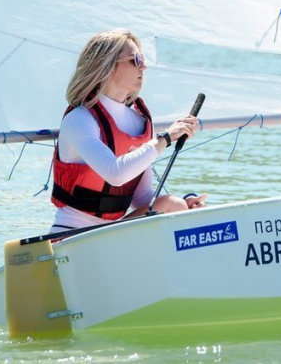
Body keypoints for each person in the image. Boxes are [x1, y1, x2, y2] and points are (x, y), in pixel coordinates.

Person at [49, 28, 206, 232]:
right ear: (107, 65)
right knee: (172, 204)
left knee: (174, 205)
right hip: (71, 235)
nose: (144, 66)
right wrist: (165, 138)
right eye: (136, 59)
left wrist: (185, 204)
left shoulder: (139, 123)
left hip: (113, 233)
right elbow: (115, 174)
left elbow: (141, 197)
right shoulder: (79, 119)